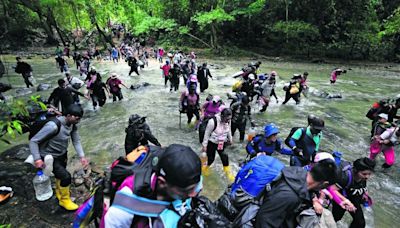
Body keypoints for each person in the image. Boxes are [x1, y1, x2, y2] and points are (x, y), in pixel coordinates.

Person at [105, 144, 202, 227]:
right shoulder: (124, 206)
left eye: (196, 186)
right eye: (186, 190)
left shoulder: (186, 180)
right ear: (162, 182)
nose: (194, 193)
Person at [29, 104, 89, 210]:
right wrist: (37, 158)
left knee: (59, 176)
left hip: (61, 154)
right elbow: (33, 141)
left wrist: (82, 156)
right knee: (66, 177)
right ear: (69, 115)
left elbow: (76, 140)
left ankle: (59, 193)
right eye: (77, 118)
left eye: (80, 119)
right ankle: (64, 200)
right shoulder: (53, 126)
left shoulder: (72, 124)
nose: (78, 121)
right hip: (49, 156)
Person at [255, 159, 337, 228]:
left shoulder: (298, 172)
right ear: (325, 184)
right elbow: (264, 221)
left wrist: (314, 200)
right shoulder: (289, 196)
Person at [331, 157, 376, 228]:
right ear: (355, 170)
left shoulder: (363, 177)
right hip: (341, 198)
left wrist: (365, 193)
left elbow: (362, 184)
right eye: (364, 174)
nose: (367, 177)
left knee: (360, 223)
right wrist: (344, 200)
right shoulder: (345, 177)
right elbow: (332, 190)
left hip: (354, 197)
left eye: (369, 174)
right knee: (335, 218)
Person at [201, 108, 234, 182]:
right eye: (226, 119)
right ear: (222, 116)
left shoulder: (228, 121)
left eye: (229, 119)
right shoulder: (212, 121)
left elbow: (229, 129)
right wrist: (204, 145)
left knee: (225, 156)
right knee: (211, 159)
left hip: (221, 142)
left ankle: (228, 173)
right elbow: (207, 133)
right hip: (212, 143)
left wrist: (230, 139)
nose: (227, 121)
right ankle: (204, 169)